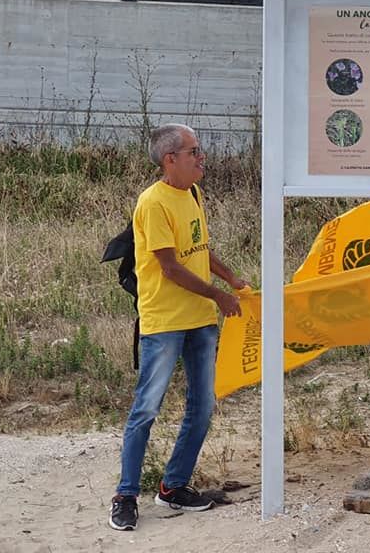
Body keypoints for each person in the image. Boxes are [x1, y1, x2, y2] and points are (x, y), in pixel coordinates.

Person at [109, 124, 246, 532]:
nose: (202, 157)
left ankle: (173, 487)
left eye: (200, 150)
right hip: (166, 322)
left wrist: (230, 278)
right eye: (194, 151)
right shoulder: (152, 204)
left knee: (202, 408)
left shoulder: (195, 194)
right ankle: (125, 495)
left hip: (200, 321)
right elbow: (169, 267)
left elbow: (200, 248)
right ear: (171, 159)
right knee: (146, 408)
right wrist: (219, 297)